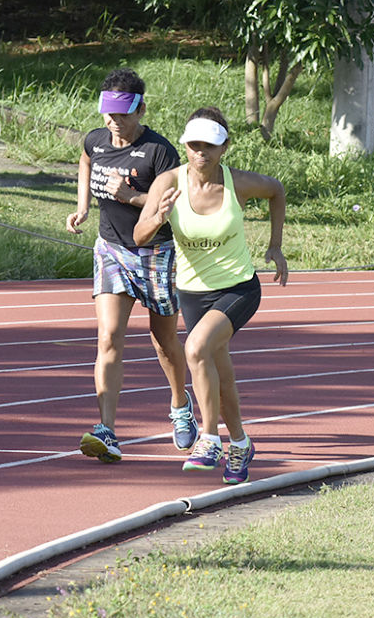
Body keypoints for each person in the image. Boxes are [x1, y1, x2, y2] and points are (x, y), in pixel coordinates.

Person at [134, 107, 287, 485]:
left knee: (195, 349)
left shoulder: (239, 183)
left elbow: (277, 190)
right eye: (194, 145)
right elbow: (139, 236)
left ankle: (209, 438)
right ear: (185, 145)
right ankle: (240, 443)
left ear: (225, 148)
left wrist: (276, 246)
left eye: (210, 146)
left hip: (238, 287)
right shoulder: (168, 183)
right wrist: (157, 218)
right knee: (220, 376)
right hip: (193, 293)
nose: (201, 153)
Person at [65, 69, 196, 464]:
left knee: (163, 341)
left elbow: (169, 209)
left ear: (140, 109)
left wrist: (131, 197)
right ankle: (107, 429)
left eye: (121, 115)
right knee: (108, 338)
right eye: (108, 114)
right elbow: (86, 161)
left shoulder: (160, 152)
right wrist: (83, 206)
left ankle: (179, 404)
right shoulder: (96, 140)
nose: (113, 122)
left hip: (155, 253)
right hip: (110, 249)